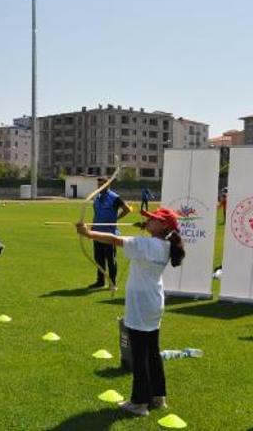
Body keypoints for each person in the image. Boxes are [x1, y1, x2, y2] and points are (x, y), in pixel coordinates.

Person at [76, 207, 185, 416]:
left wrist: (88, 233)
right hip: (153, 302)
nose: (149, 220)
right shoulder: (164, 244)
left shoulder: (145, 244)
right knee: (152, 351)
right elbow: (141, 240)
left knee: (139, 354)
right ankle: (158, 397)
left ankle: (139, 403)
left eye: (154, 219)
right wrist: (146, 228)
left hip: (141, 304)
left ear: (163, 225)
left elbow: (115, 239)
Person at [88, 177, 133, 290]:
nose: (99, 187)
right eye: (98, 185)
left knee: (110, 259)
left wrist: (116, 218)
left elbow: (127, 209)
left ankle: (113, 283)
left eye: (102, 185)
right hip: (96, 232)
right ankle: (100, 281)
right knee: (99, 258)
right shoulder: (97, 196)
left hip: (109, 233)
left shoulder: (115, 197)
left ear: (107, 185)